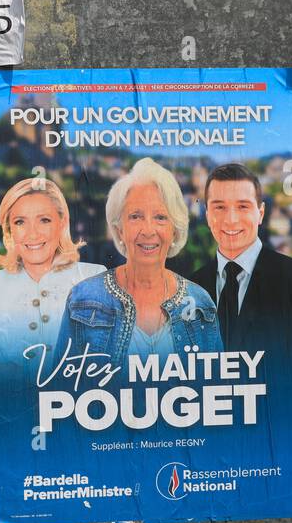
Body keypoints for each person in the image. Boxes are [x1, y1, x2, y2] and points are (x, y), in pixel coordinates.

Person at [57, 158, 221, 372]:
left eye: (161, 217)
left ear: (175, 229)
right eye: (135, 216)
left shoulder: (201, 304)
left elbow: (218, 390)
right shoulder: (83, 299)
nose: (148, 230)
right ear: (119, 230)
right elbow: (59, 391)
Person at [0, 176, 105, 382]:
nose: (33, 234)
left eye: (44, 220)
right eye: (20, 222)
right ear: (9, 230)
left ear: (62, 223)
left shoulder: (94, 277)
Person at [190, 162, 292, 357]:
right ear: (207, 213)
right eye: (219, 207)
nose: (230, 219)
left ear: (260, 213)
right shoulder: (191, 288)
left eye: (242, 206)